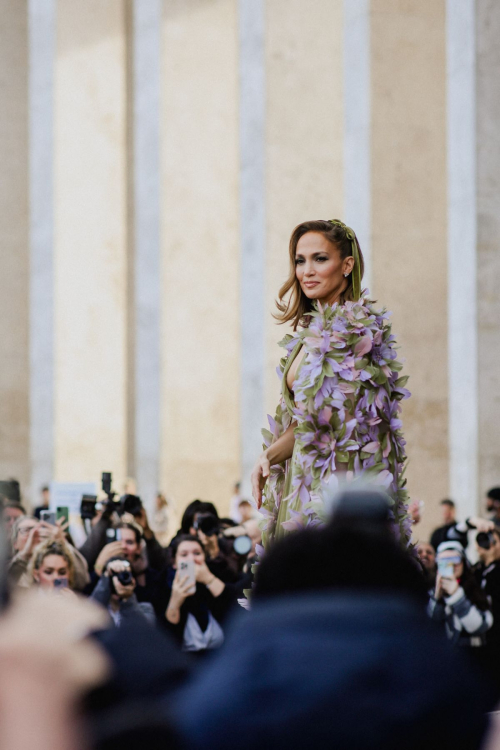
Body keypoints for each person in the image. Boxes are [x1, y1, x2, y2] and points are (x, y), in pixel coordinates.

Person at [251, 219, 411, 547]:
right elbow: (306, 421)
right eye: (300, 260)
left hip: (337, 486)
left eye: (320, 259)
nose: (307, 270)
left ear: (347, 265)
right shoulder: (308, 334)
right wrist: (268, 456)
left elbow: (339, 428)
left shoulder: (357, 333)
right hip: (303, 480)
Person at [165, 535, 237, 654]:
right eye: (184, 555)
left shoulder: (217, 577)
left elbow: (234, 610)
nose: (191, 559)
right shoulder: (165, 586)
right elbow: (168, 639)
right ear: (174, 562)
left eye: (197, 553)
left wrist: (209, 579)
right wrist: (175, 601)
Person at [429, 541, 492, 654]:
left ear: (463, 562)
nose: (451, 565)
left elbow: (478, 627)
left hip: (474, 657)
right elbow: (429, 627)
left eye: (455, 559)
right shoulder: (431, 591)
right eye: (444, 561)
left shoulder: (477, 589)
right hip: (442, 657)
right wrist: (437, 598)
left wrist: (456, 595)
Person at [9, 515, 90, 590]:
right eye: (26, 530)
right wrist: (24, 556)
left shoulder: (56, 563)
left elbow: (82, 580)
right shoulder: (9, 567)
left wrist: (62, 542)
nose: (33, 534)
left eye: (38, 529)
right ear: (15, 543)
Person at [91, 557, 156, 627]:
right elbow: (89, 613)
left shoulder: (146, 609)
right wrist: (106, 574)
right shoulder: (96, 610)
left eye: (125, 576)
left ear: (133, 581)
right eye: (112, 577)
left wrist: (127, 599)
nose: (117, 583)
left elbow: (143, 631)